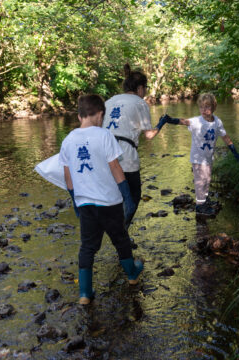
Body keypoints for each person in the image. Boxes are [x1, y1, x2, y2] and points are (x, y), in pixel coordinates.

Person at [59, 94, 144, 305]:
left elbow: (68, 177)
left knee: (88, 246)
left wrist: (74, 200)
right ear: (100, 114)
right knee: (120, 240)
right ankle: (132, 274)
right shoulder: (104, 135)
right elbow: (115, 167)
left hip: (85, 203)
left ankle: (85, 293)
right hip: (109, 202)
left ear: (79, 116)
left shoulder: (68, 139)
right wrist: (127, 196)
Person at [102, 64, 167, 244]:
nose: (145, 92)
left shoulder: (109, 101)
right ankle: (120, 235)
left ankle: (113, 231)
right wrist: (161, 124)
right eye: (145, 88)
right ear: (140, 88)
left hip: (103, 155)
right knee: (133, 197)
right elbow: (149, 135)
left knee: (114, 198)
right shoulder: (140, 103)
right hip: (125, 157)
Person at [159, 93, 239, 215]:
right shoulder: (197, 121)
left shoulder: (217, 122)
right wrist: (169, 119)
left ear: (214, 107)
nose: (204, 110)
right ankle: (200, 206)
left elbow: (225, 137)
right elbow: (183, 121)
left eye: (207, 107)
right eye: (201, 107)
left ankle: (204, 200)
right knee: (200, 181)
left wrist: (234, 151)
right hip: (198, 158)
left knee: (207, 179)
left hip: (208, 158)